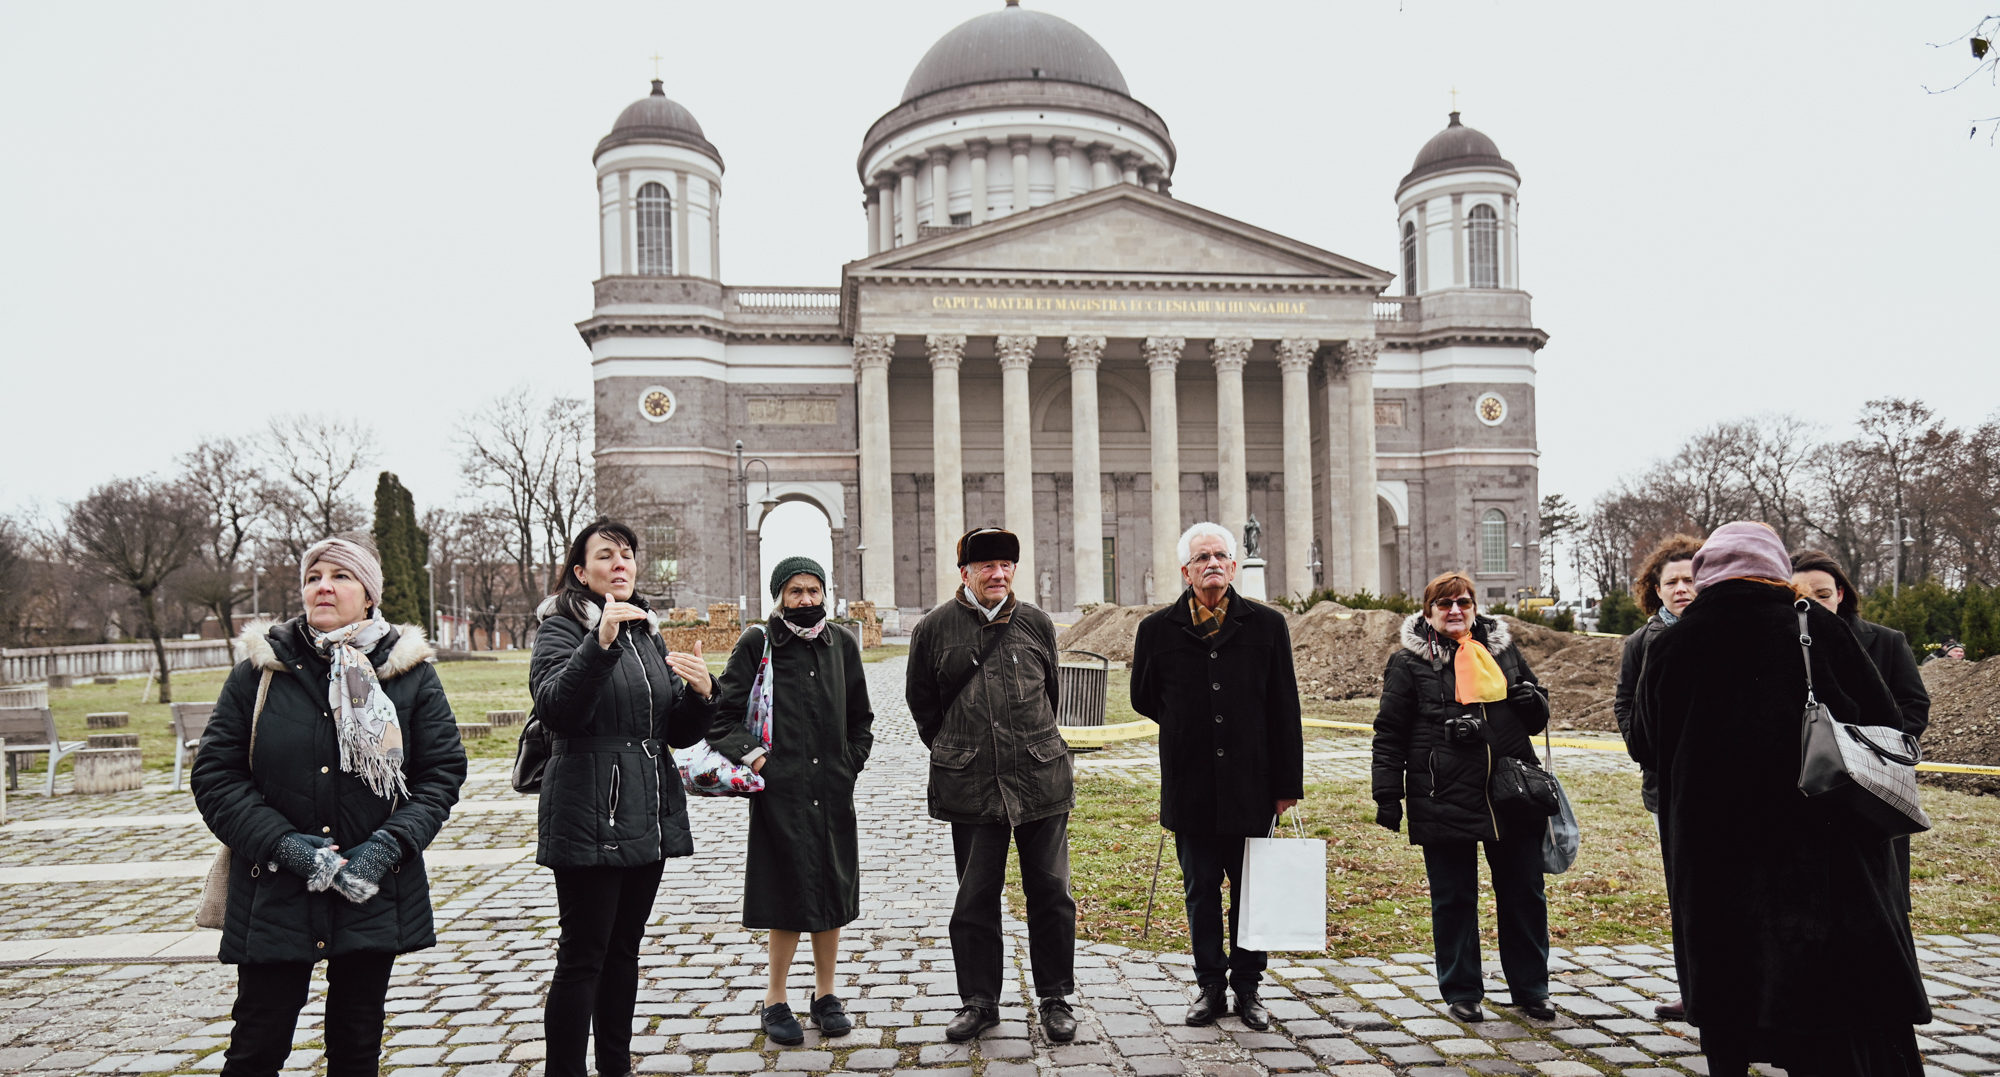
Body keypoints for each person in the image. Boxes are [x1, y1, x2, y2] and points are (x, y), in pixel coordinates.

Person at [1634, 522, 1929, 1077]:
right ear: (1773, 567)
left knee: (1730, 980)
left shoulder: (1672, 641)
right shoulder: (1815, 627)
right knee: (1828, 996)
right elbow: (1885, 722)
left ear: (1707, 573)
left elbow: (1647, 742)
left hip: (1714, 850)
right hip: (1821, 845)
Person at [193, 536, 468, 1076]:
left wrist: (386, 849)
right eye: (314, 576)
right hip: (275, 883)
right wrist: (287, 847)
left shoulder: (407, 671)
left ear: (369, 595)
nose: (325, 586)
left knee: (356, 1044)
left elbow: (439, 776)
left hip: (369, 885)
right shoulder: (260, 670)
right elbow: (216, 775)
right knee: (257, 1045)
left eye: (341, 576)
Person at [531, 519, 716, 1077]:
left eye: (628, 555)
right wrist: (599, 642)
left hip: (646, 807)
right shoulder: (561, 627)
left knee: (624, 950)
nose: (621, 564)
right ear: (581, 572)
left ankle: (616, 1066)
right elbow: (557, 710)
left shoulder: (645, 630)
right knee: (584, 954)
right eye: (606, 555)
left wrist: (704, 695)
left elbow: (671, 731)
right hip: (587, 806)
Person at [905, 527, 1078, 1045]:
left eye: (1006, 565)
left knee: (1050, 893)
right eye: (987, 567)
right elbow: (923, 707)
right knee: (976, 897)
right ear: (965, 574)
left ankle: (1054, 997)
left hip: (1040, 780)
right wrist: (961, 749)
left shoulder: (1036, 623)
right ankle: (979, 1001)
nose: (998, 575)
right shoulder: (934, 628)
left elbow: (1050, 693)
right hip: (973, 787)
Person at [1130, 522, 1303, 1030]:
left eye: (1221, 555)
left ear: (1233, 566)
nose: (1212, 563)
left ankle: (1248, 988)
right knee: (1201, 889)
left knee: (1252, 890)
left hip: (1254, 783)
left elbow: (1285, 707)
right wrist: (1188, 722)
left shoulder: (1267, 626)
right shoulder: (1156, 630)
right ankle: (1209, 986)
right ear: (1185, 570)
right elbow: (1144, 695)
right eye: (1201, 556)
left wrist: (1287, 787)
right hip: (1192, 784)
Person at [1370, 571, 1555, 1024]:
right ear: (1428, 612)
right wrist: (1387, 794)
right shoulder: (1408, 663)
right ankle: (1462, 989)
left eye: (1463, 603)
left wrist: (1534, 703)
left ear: (1475, 608)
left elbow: (1536, 716)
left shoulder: (1503, 651)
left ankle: (1531, 988)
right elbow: (1389, 733)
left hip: (1510, 790)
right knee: (1453, 898)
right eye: (1444, 604)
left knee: (1524, 893)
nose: (1455, 610)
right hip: (1441, 791)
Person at [708, 556, 874, 1046]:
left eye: (813, 591)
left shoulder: (841, 643)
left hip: (832, 791)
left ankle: (826, 996)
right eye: (795, 591)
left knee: (832, 891)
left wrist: (850, 763)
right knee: (784, 894)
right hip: (781, 793)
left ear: (826, 594)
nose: (806, 600)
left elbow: (860, 716)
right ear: (779, 595)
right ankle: (774, 999)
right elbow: (722, 716)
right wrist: (762, 763)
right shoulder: (759, 643)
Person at [1790, 547, 1931, 916]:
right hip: (1808, 782)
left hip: (1873, 784)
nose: (1816, 604)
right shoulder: (1784, 643)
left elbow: (1914, 708)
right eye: (1803, 597)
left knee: (1878, 895)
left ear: (1840, 593)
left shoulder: (1886, 640)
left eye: (1823, 594)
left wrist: (1870, 748)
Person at [1610, 533, 1701, 1019]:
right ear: (1657, 589)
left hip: (1727, 787)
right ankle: (1695, 992)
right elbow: (1625, 701)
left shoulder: (1720, 633)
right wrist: (1641, 746)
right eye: (1673, 582)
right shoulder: (1642, 642)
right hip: (1668, 787)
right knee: (1684, 893)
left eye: (1690, 579)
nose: (1682, 588)